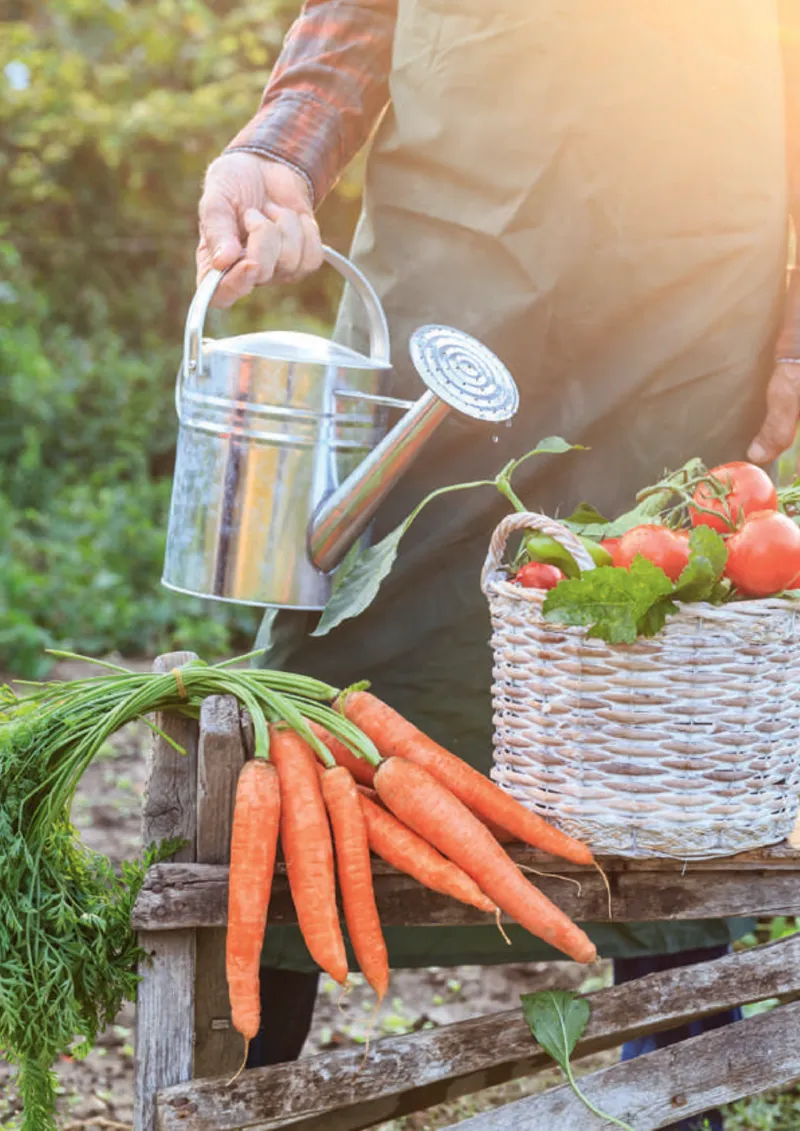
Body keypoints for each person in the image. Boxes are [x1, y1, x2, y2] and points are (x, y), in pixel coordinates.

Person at [196, 3, 800, 1126]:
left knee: (658, 669)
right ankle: (251, 1097)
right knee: (340, 673)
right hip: (450, 264)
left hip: (692, 278)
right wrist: (276, 147)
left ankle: (685, 1092)